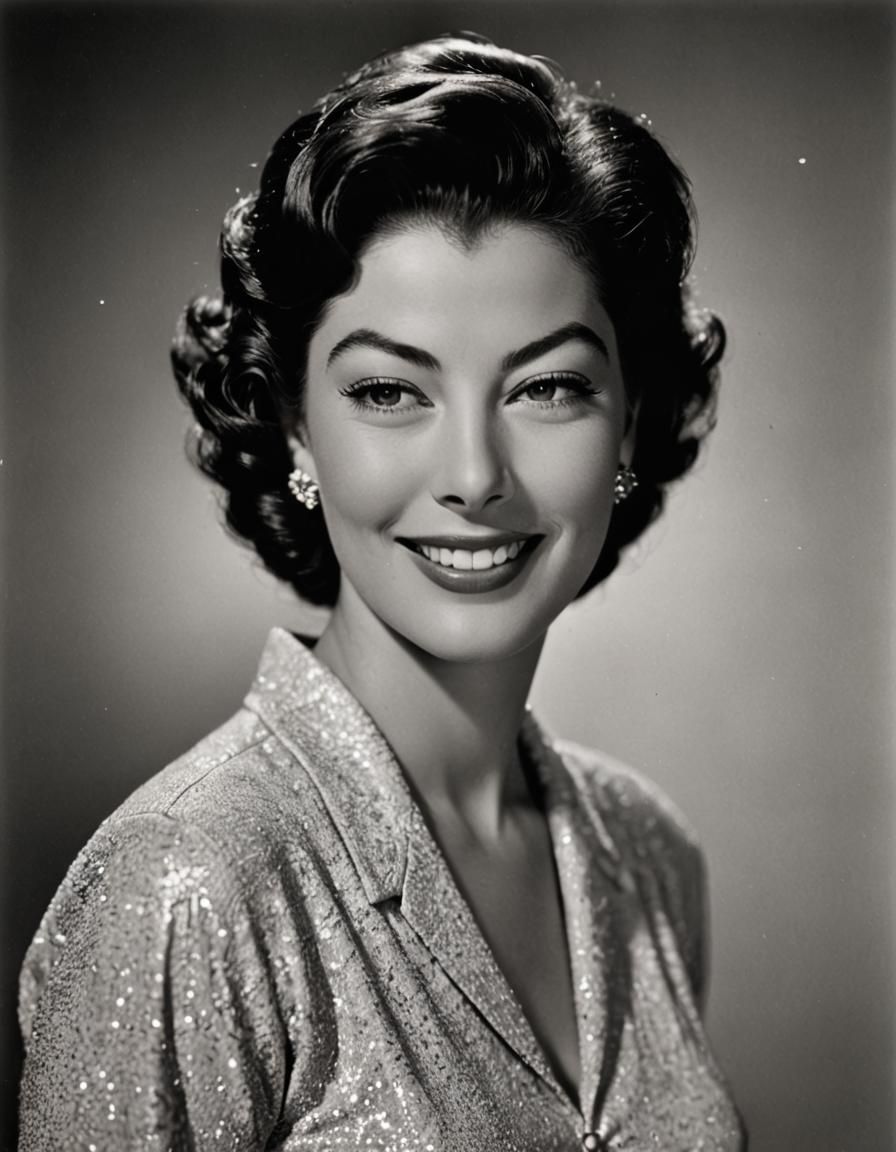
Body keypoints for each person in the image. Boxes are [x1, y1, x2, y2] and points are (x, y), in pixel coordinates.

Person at [17, 32, 745, 1151]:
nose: (470, 476)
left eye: (546, 385)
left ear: (631, 422)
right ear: (295, 424)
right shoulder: (185, 882)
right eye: (389, 391)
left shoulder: (649, 857)